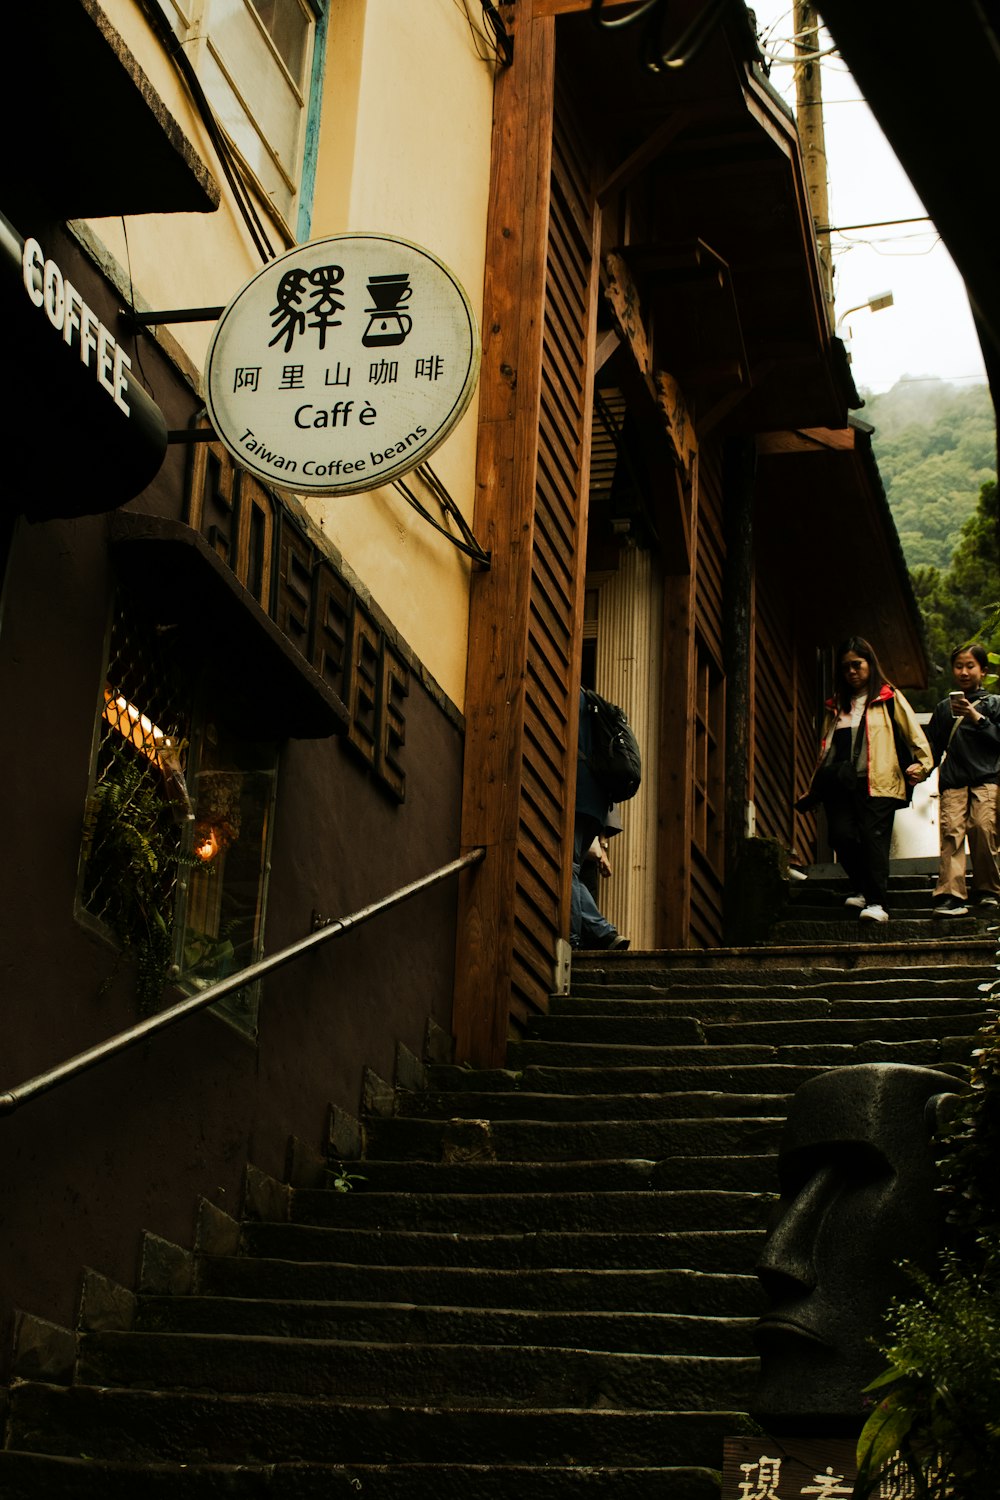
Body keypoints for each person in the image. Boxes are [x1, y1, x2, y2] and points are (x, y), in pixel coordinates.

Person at [802, 635, 932, 925]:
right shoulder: (835, 706)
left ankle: (876, 903)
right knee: (840, 835)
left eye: (857, 665)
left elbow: (914, 734)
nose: (851, 672)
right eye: (846, 667)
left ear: (870, 665)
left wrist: (923, 765)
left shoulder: (887, 697)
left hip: (880, 781)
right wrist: (815, 788)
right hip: (842, 785)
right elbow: (825, 750)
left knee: (874, 840)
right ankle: (863, 887)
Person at [926, 642, 1000, 917]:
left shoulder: (995, 704)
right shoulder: (944, 709)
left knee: (983, 830)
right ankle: (951, 895)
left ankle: (988, 891)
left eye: (970, 666)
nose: (964, 672)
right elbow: (933, 746)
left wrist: (976, 717)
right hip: (953, 780)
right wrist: (920, 769)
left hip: (987, 780)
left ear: (983, 670)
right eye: (959, 666)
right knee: (951, 834)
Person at [572, 689, 629, 951]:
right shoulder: (596, 705)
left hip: (577, 795)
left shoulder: (573, 696)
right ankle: (593, 933)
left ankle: (587, 935)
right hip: (597, 805)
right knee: (572, 871)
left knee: (568, 869)